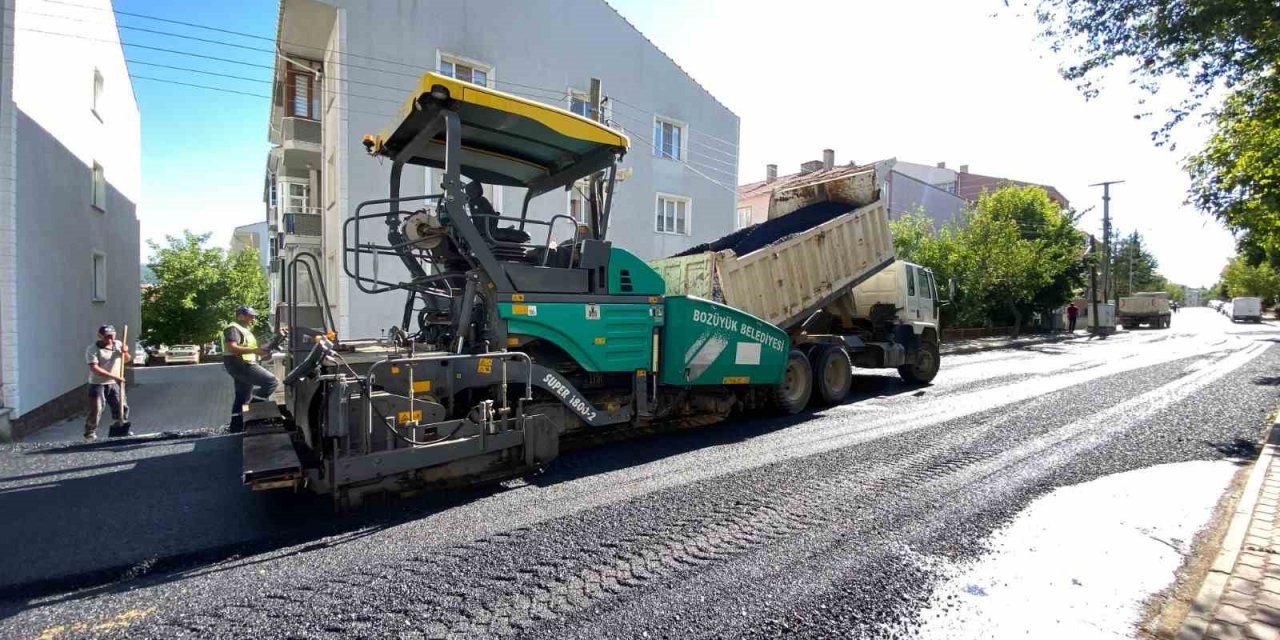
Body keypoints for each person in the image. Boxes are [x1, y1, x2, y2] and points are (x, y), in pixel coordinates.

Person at [221, 305, 278, 433]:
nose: (253, 319)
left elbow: (250, 348)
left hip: (241, 363)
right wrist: (255, 350)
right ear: (241, 316)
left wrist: (261, 352)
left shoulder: (244, 329)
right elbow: (232, 347)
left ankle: (236, 426)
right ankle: (252, 411)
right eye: (250, 316)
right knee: (271, 382)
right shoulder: (233, 329)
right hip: (240, 364)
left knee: (242, 396)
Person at [85, 324, 129, 440]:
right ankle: (90, 433)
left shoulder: (118, 344)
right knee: (97, 409)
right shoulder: (93, 349)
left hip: (114, 383)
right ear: (100, 337)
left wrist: (125, 352)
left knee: (121, 406)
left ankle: (119, 426)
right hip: (97, 384)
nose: (110, 339)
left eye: (112, 336)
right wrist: (114, 376)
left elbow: (127, 359)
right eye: (107, 337)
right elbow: (94, 368)